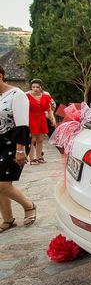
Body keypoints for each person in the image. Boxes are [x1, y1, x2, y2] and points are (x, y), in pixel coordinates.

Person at [0, 65, 36, 233]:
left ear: (1, 76)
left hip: (13, 142)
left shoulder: (17, 95)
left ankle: (29, 205)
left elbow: (22, 125)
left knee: (2, 184)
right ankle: (8, 219)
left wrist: (20, 150)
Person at [26, 79, 55, 165]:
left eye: (37, 87)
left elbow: (49, 109)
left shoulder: (46, 96)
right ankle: (32, 159)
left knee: (40, 140)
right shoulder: (26, 96)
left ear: (41, 87)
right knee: (32, 139)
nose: (35, 89)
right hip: (31, 118)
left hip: (42, 118)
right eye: (33, 87)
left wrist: (52, 118)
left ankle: (39, 157)